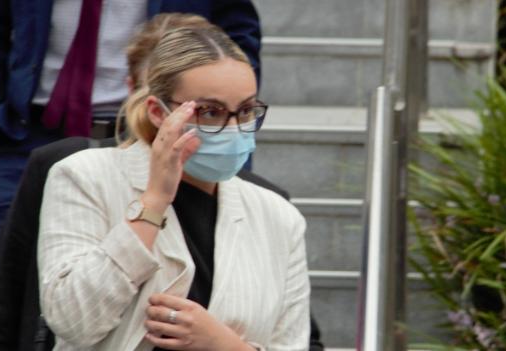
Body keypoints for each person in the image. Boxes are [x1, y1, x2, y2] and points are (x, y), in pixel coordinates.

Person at [37, 26, 310, 349]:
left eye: (247, 110)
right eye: (210, 112)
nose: (234, 128)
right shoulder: (84, 177)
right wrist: (153, 202)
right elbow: (72, 321)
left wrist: (222, 344)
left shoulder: (277, 215)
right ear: (158, 111)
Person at [0, 0, 261, 265]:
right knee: (12, 275)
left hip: (150, 132)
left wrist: (226, 121)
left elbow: (236, 29)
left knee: (161, 266)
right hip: (28, 131)